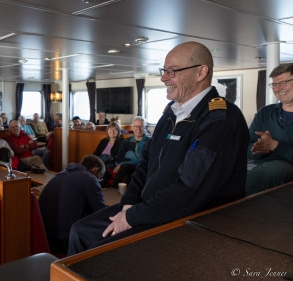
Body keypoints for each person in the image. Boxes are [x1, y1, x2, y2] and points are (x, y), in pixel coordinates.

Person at [67, 41, 249, 255]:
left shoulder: (219, 120)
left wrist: (132, 217)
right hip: (147, 207)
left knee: (99, 252)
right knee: (79, 231)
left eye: (173, 71)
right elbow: (145, 164)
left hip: (185, 218)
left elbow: (189, 191)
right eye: (164, 71)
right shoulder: (170, 114)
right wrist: (129, 204)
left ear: (201, 72)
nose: (164, 78)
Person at [38, 155, 106, 254]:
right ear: (95, 170)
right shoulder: (89, 178)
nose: (99, 180)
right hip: (64, 241)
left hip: (45, 236)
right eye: (100, 178)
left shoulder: (61, 174)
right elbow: (101, 211)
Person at [245, 63, 293, 195]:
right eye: (274, 84)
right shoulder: (265, 113)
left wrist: (275, 146)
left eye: (283, 82)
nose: (278, 88)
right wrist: (259, 148)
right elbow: (247, 146)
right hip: (257, 166)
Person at [111, 116, 151, 187]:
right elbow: (119, 158)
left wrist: (123, 162)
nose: (138, 129)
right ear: (132, 127)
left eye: (141, 126)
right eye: (136, 126)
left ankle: (113, 188)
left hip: (141, 168)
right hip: (128, 169)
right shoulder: (126, 141)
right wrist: (135, 157)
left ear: (145, 127)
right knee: (127, 176)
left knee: (125, 167)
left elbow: (144, 159)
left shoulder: (149, 142)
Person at [93, 122, 124, 187]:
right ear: (107, 131)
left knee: (103, 171)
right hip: (100, 162)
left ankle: (98, 187)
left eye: (115, 129)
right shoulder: (103, 141)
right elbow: (95, 154)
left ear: (118, 131)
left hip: (111, 164)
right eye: (110, 129)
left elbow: (120, 156)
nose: (112, 131)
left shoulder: (121, 142)